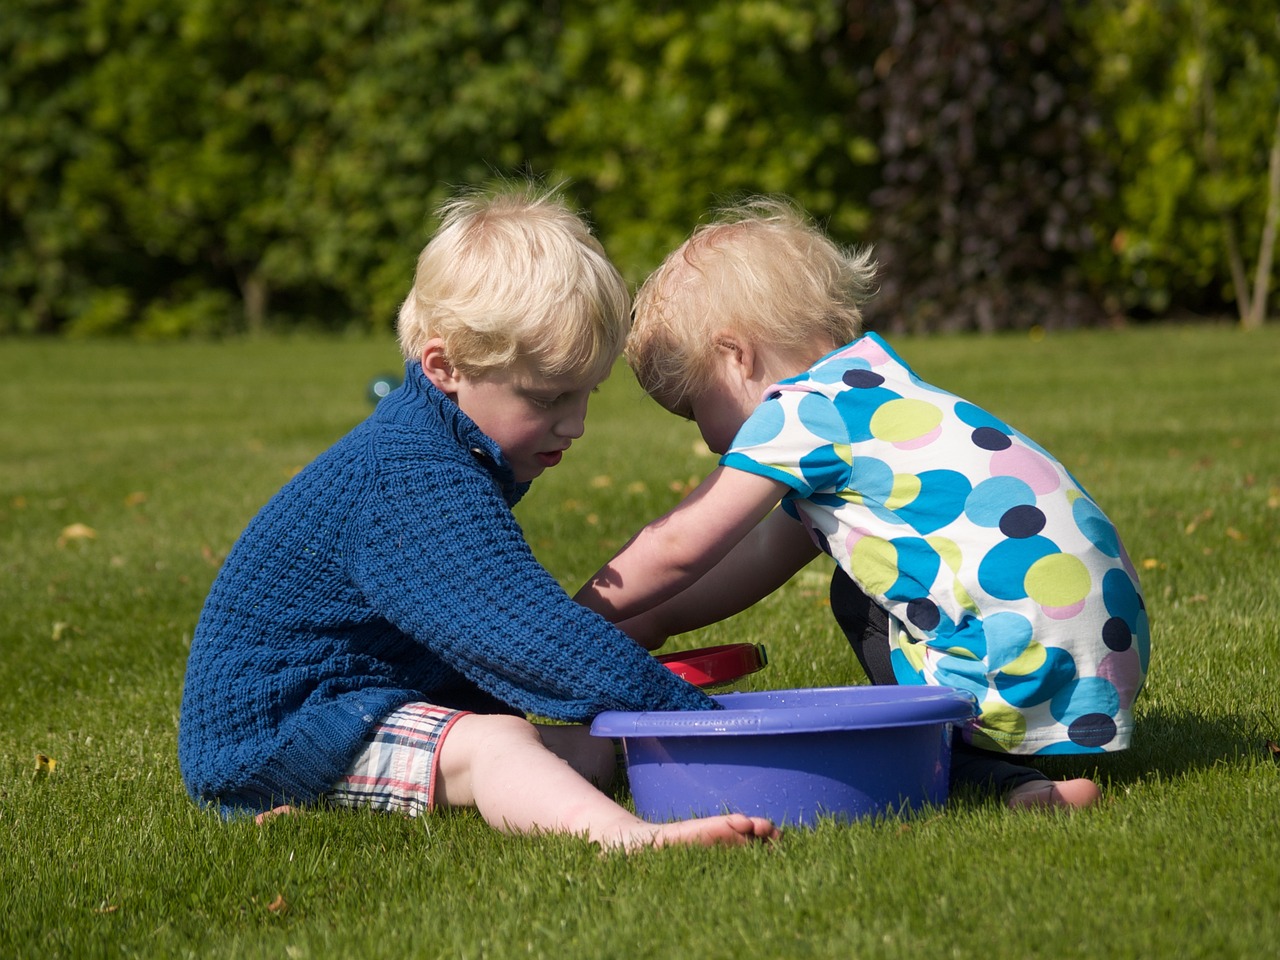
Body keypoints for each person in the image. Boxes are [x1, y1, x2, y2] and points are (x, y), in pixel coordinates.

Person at [177, 182, 779, 850]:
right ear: (445, 366)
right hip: (287, 733)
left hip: (363, 699)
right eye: (549, 397)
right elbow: (526, 635)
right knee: (500, 744)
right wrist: (693, 721)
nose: (574, 424)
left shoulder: (439, 441)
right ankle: (628, 842)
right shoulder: (410, 480)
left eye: (587, 394)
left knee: (583, 750)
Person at [574, 197, 1150, 811]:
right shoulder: (874, 394)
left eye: (694, 408)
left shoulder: (797, 412)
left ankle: (989, 776)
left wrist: (570, 618)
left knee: (856, 595)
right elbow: (767, 553)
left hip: (1014, 652)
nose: (707, 439)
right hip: (1102, 650)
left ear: (734, 354)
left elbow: (677, 546)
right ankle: (1034, 753)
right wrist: (654, 619)